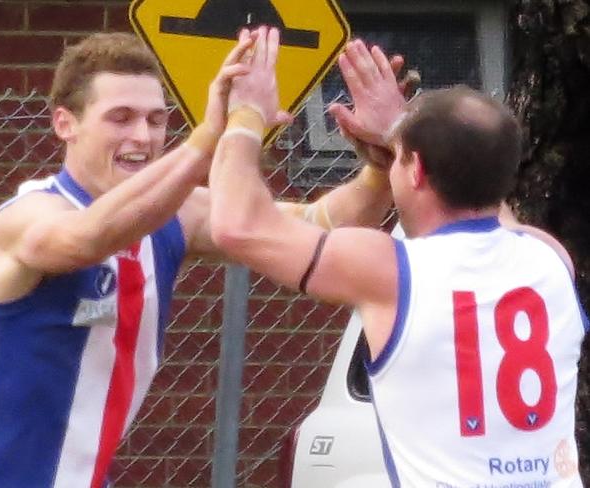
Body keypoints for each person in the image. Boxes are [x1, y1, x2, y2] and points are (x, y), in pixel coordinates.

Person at [0, 31, 405, 487]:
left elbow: (317, 226)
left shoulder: (175, 212)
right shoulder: (29, 215)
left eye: (156, 120)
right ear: (66, 124)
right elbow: (87, 238)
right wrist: (213, 135)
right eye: (120, 118)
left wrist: (382, 168)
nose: (142, 136)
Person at [209, 26, 587, 487]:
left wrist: (245, 113)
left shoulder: (388, 268)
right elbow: (485, 188)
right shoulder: (549, 258)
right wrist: (402, 134)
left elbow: (235, 225)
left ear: (418, 169)